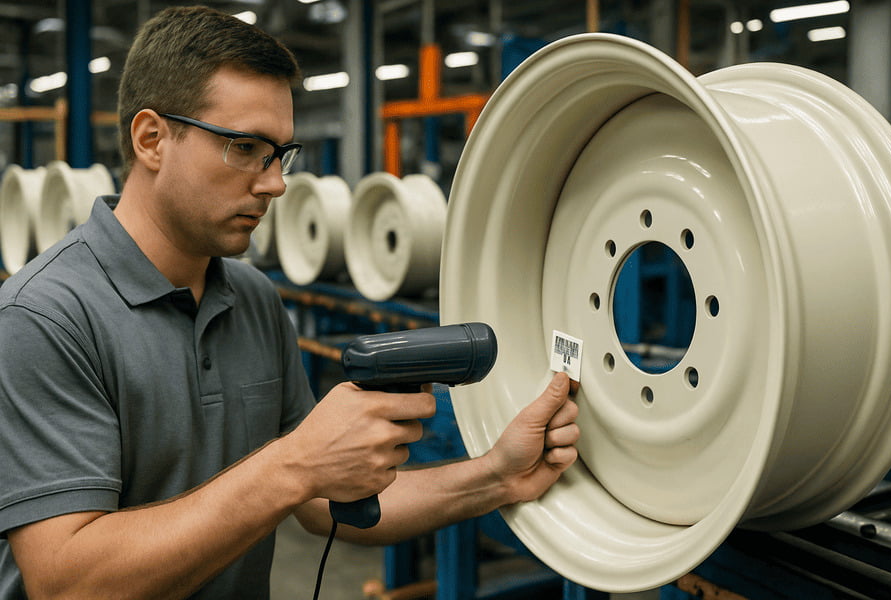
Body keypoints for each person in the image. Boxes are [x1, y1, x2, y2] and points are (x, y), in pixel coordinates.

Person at [0, 6, 580, 599]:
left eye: (281, 153)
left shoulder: (251, 298)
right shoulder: (43, 317)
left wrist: (498, 476)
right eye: (245, 146)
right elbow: (65, 583)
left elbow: (323, 501)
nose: (276, 182)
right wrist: (292, 464)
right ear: (152, 139)